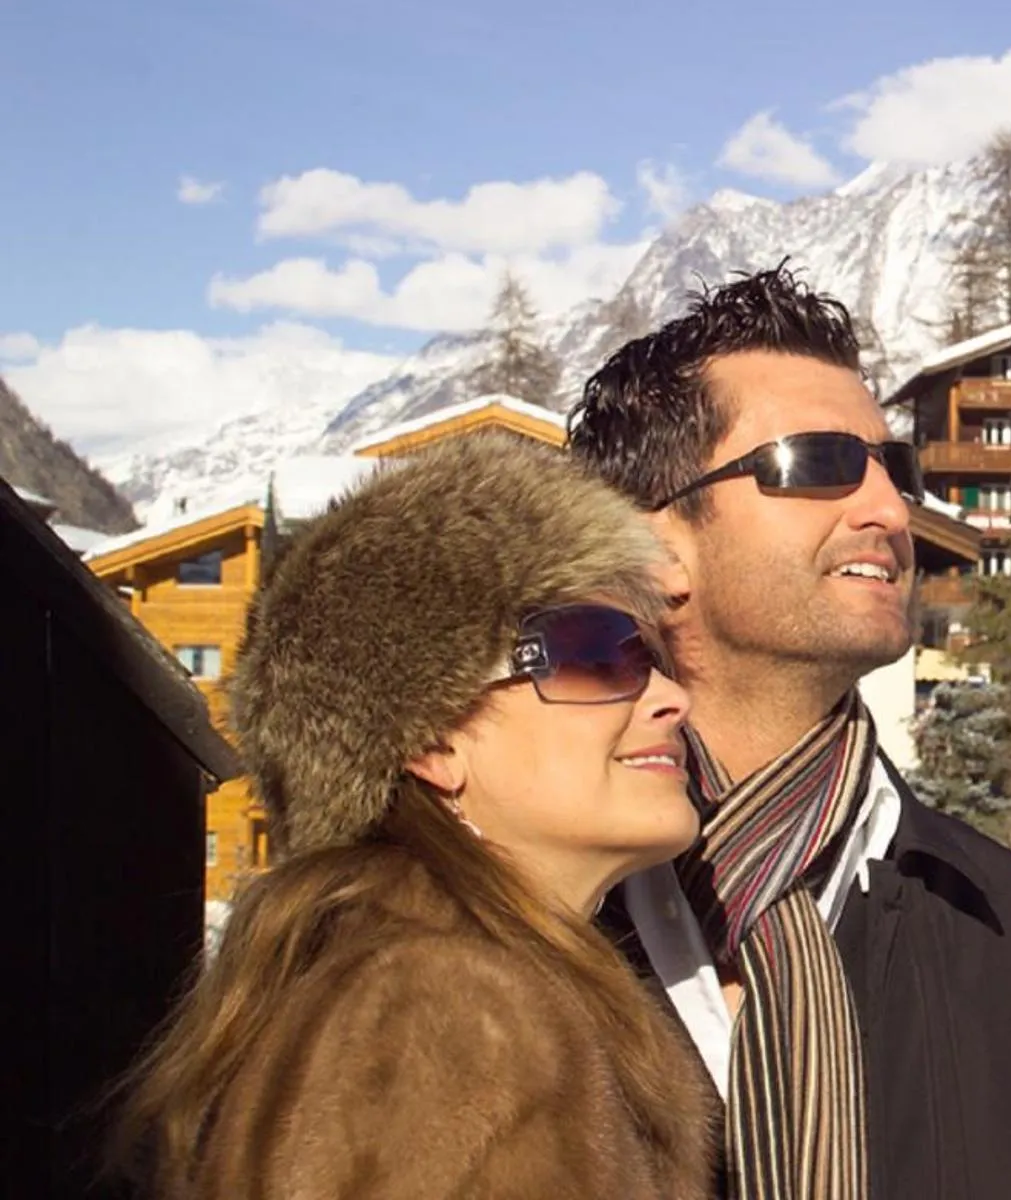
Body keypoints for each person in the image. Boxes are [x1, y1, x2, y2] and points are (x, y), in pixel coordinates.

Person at [571, 265, 1011, 1200]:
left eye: (892, 469)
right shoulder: (531, 917)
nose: (889, 510)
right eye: (819, 463)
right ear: (655, 547)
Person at [114, 436, 714, 1200]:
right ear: (433, 740)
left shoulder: (433, 983)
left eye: (654, 658)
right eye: (596, 653)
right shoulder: (449, 1014)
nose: (671, 698)